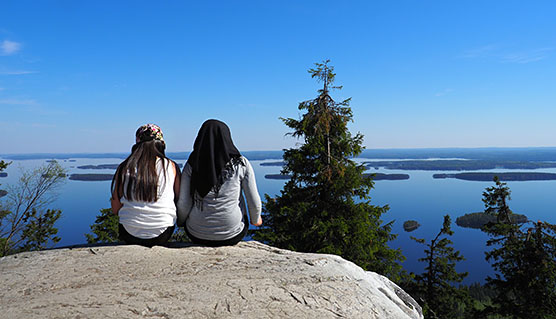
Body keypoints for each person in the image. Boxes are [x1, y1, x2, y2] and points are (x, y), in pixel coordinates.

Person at [177, 119, 262, 247]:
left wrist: (181, 222)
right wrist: (256, 220)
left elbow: (184, 203)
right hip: (231, 234)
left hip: (196, 234)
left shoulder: (192, 164)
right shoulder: (241, 163)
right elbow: (253, 199)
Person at [111, 124, 180, 247]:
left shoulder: (125, 167)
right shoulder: (171, 166)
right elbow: (179, 200)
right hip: (162, 233)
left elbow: (116, 208)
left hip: (128, 233)